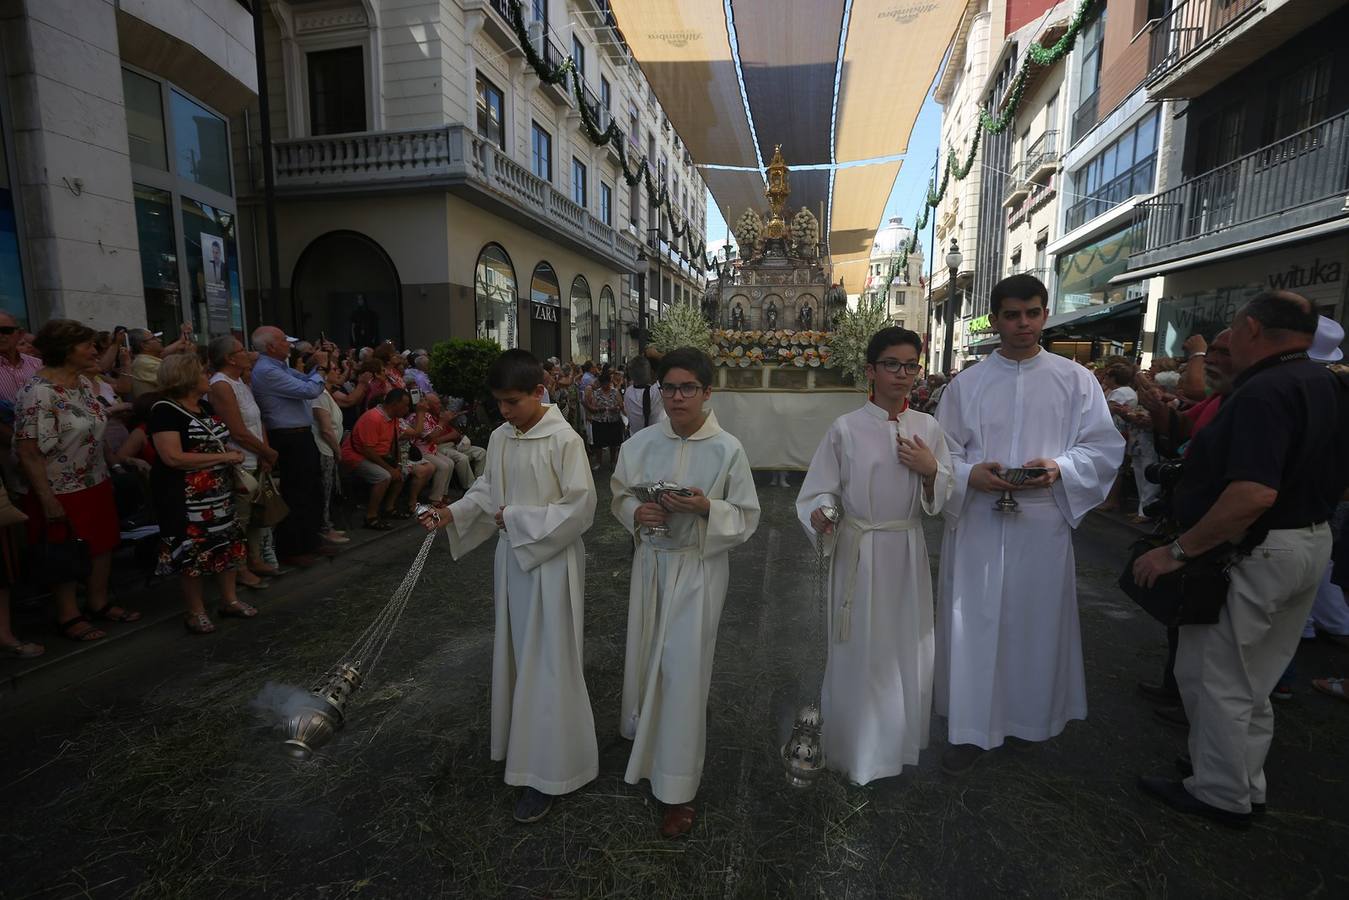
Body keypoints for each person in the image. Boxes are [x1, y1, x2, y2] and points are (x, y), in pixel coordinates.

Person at [1133, 291, 1349, 829]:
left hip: (1257, 548)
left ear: (1252, 328)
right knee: (1253, 678)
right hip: (1306, 541)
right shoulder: (1324, 382)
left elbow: (1252, 492)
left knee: (1218, 676)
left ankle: (1220, 790)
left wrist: (1178, 550)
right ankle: (1239, 778)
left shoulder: (1267, 390)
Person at [934, 274, 1124, 775]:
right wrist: (969, 473)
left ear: (1045, 315)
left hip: (1041, 524)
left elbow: (1102, 448)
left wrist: (1061, 468)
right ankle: (970, 727)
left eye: (1033, 313)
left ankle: (1028, 721)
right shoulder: (966, 384)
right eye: (1012, 314)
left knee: (1032, 624)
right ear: (994, 319)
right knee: (972, 622)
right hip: (977, 519)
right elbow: (941, 455)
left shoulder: (1075, 380)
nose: (1023, 324)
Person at [419, 349, 598, 824]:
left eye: (513, 401)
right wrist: (451, 512)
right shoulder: (500, 436)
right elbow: (487, 490)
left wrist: (515, 518)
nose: (504, 411)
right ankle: (521, 751)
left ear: (540, 392)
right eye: (498, 402)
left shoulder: (564, 440)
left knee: (550, 662)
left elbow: (580, 510)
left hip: (552, 564)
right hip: (512, 563)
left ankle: (552, 771)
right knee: (519, 657)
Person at [611, 347, 760, 837]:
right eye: (668, 388)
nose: (677, 398)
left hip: (697, 571)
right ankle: (648, 747)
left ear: (707, 391)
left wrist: (705, 509)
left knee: (684, 673)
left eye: (687, 388)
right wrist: (637, 514)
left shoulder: (727, 449)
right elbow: (620, 493)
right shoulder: (641, 443)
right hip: (651, 564)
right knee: (647, 657)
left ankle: (677, 789)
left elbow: (745, 517)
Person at [797, 327, 954, 785]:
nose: (902, 375)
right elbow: (819, 489)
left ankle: (896, 743)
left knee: (904, 644)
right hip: (859, 552)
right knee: (858, 644)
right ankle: (853, 746)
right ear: (870, 370)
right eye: (892, 364)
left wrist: (930, 473)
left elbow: (942, 491)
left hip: (906, 549)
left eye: (911, 366)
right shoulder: (845, 429)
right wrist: (822, 514)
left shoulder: (929, 428)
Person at [14, 320, 140, 641]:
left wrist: (115, 463)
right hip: (59, 487)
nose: (95, 350)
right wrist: (47, 498)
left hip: (94, 479)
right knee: (64, 550)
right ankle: (68, 615)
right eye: (87, 345)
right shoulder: (37, 392)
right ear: (66, 351)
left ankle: (98, 602)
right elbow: (28, 450)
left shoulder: (83, 383)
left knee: (102, 543)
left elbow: (92, 427)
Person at [150, 354, 256, 633]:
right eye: (201, 371)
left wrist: (227, 459)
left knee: (226, 544)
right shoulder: (164, 411)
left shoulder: (205, 407)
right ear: (185, 377)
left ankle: (229, 600)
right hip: (187, 498)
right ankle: (195, 610)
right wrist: (224, 458)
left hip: (219, 492)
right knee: (193, 553)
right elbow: (172, 457)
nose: (207, 374)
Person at [249, 326, 329, 567]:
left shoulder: (280, 367)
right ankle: (293, 547)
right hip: (287, 436)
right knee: (296, 492)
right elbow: (310, 389)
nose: (289, 345)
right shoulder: (266, 370)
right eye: (284, 341)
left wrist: (315, 365)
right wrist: (321, 368)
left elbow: (305, 380)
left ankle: (310, 540)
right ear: (271, 346)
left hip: (301, 434)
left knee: (312, 488)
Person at [207, 336, 278, 588]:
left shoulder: (241, 381)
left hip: (255, 456)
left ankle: (255, 558)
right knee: (242, 517)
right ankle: (240, 568)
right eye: (241, 350)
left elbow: (256, 421)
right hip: (240, 460)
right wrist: (265, 452)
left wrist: (265, 451)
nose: (248, 353)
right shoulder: (221, 385)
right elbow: (237, 430)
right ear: (230, 358)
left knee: (257, 513)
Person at [341, 388, 433, 529]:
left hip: (377, 455)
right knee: (383, 476)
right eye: (405, 405)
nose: (407, 409)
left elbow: (392, 444)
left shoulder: (393, 419)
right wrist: (389, 468)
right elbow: (367, 450)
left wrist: (396, 465)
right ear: (395, 404)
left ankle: (389, 508)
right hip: (357, 456)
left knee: (401, 471)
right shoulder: (373, 418)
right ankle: (371, 516)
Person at [311, 358, 350, 544]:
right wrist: (337, 449)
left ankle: (328, 525)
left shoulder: (326, 393)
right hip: (324, 449)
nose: (338, 372)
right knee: (324, 490)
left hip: (330, 448)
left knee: (328, 490)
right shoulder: (319, 395)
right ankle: (324, 528)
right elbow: (325, 429)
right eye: (334, 369)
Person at [128, 325, 193, 399]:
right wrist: (189, 356)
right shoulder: (144, 363)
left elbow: (163, 353)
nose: (159, 340)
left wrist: (181, 340)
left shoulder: (145, 359)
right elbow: (181, 379)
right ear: (144, 346)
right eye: (154, 338)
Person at [585, 365, 624, 468]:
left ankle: (612, 461)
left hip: (613, 419)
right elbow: (592, 407)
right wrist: (598, 409)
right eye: (603, 384)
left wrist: (616, 408)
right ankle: (598, 462)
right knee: (599, 442)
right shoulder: (597, 393)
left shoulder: (615, 392)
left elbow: (621, 405)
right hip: (599, 420)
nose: (605, 385)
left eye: (607, 383)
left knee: (613, 442)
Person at [623, 357, 664, 434]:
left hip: (635, 440)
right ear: (651, 373)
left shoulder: (628, 392)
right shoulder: (657, 391)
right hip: (657, 438)